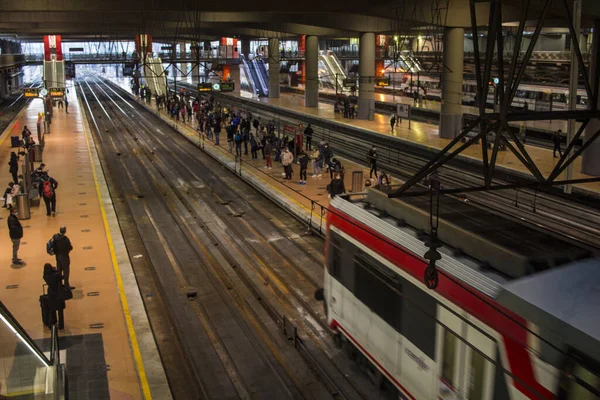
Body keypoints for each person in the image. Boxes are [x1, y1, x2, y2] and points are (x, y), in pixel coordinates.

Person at [43, 263, 66, 329]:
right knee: (60, 311)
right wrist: (55, 270)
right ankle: (61, 325)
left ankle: (52, 324)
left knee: (52, 309)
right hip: (58, 292)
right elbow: (62, 277)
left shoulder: (45, 276)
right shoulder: (55, 275)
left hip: (51, 293)